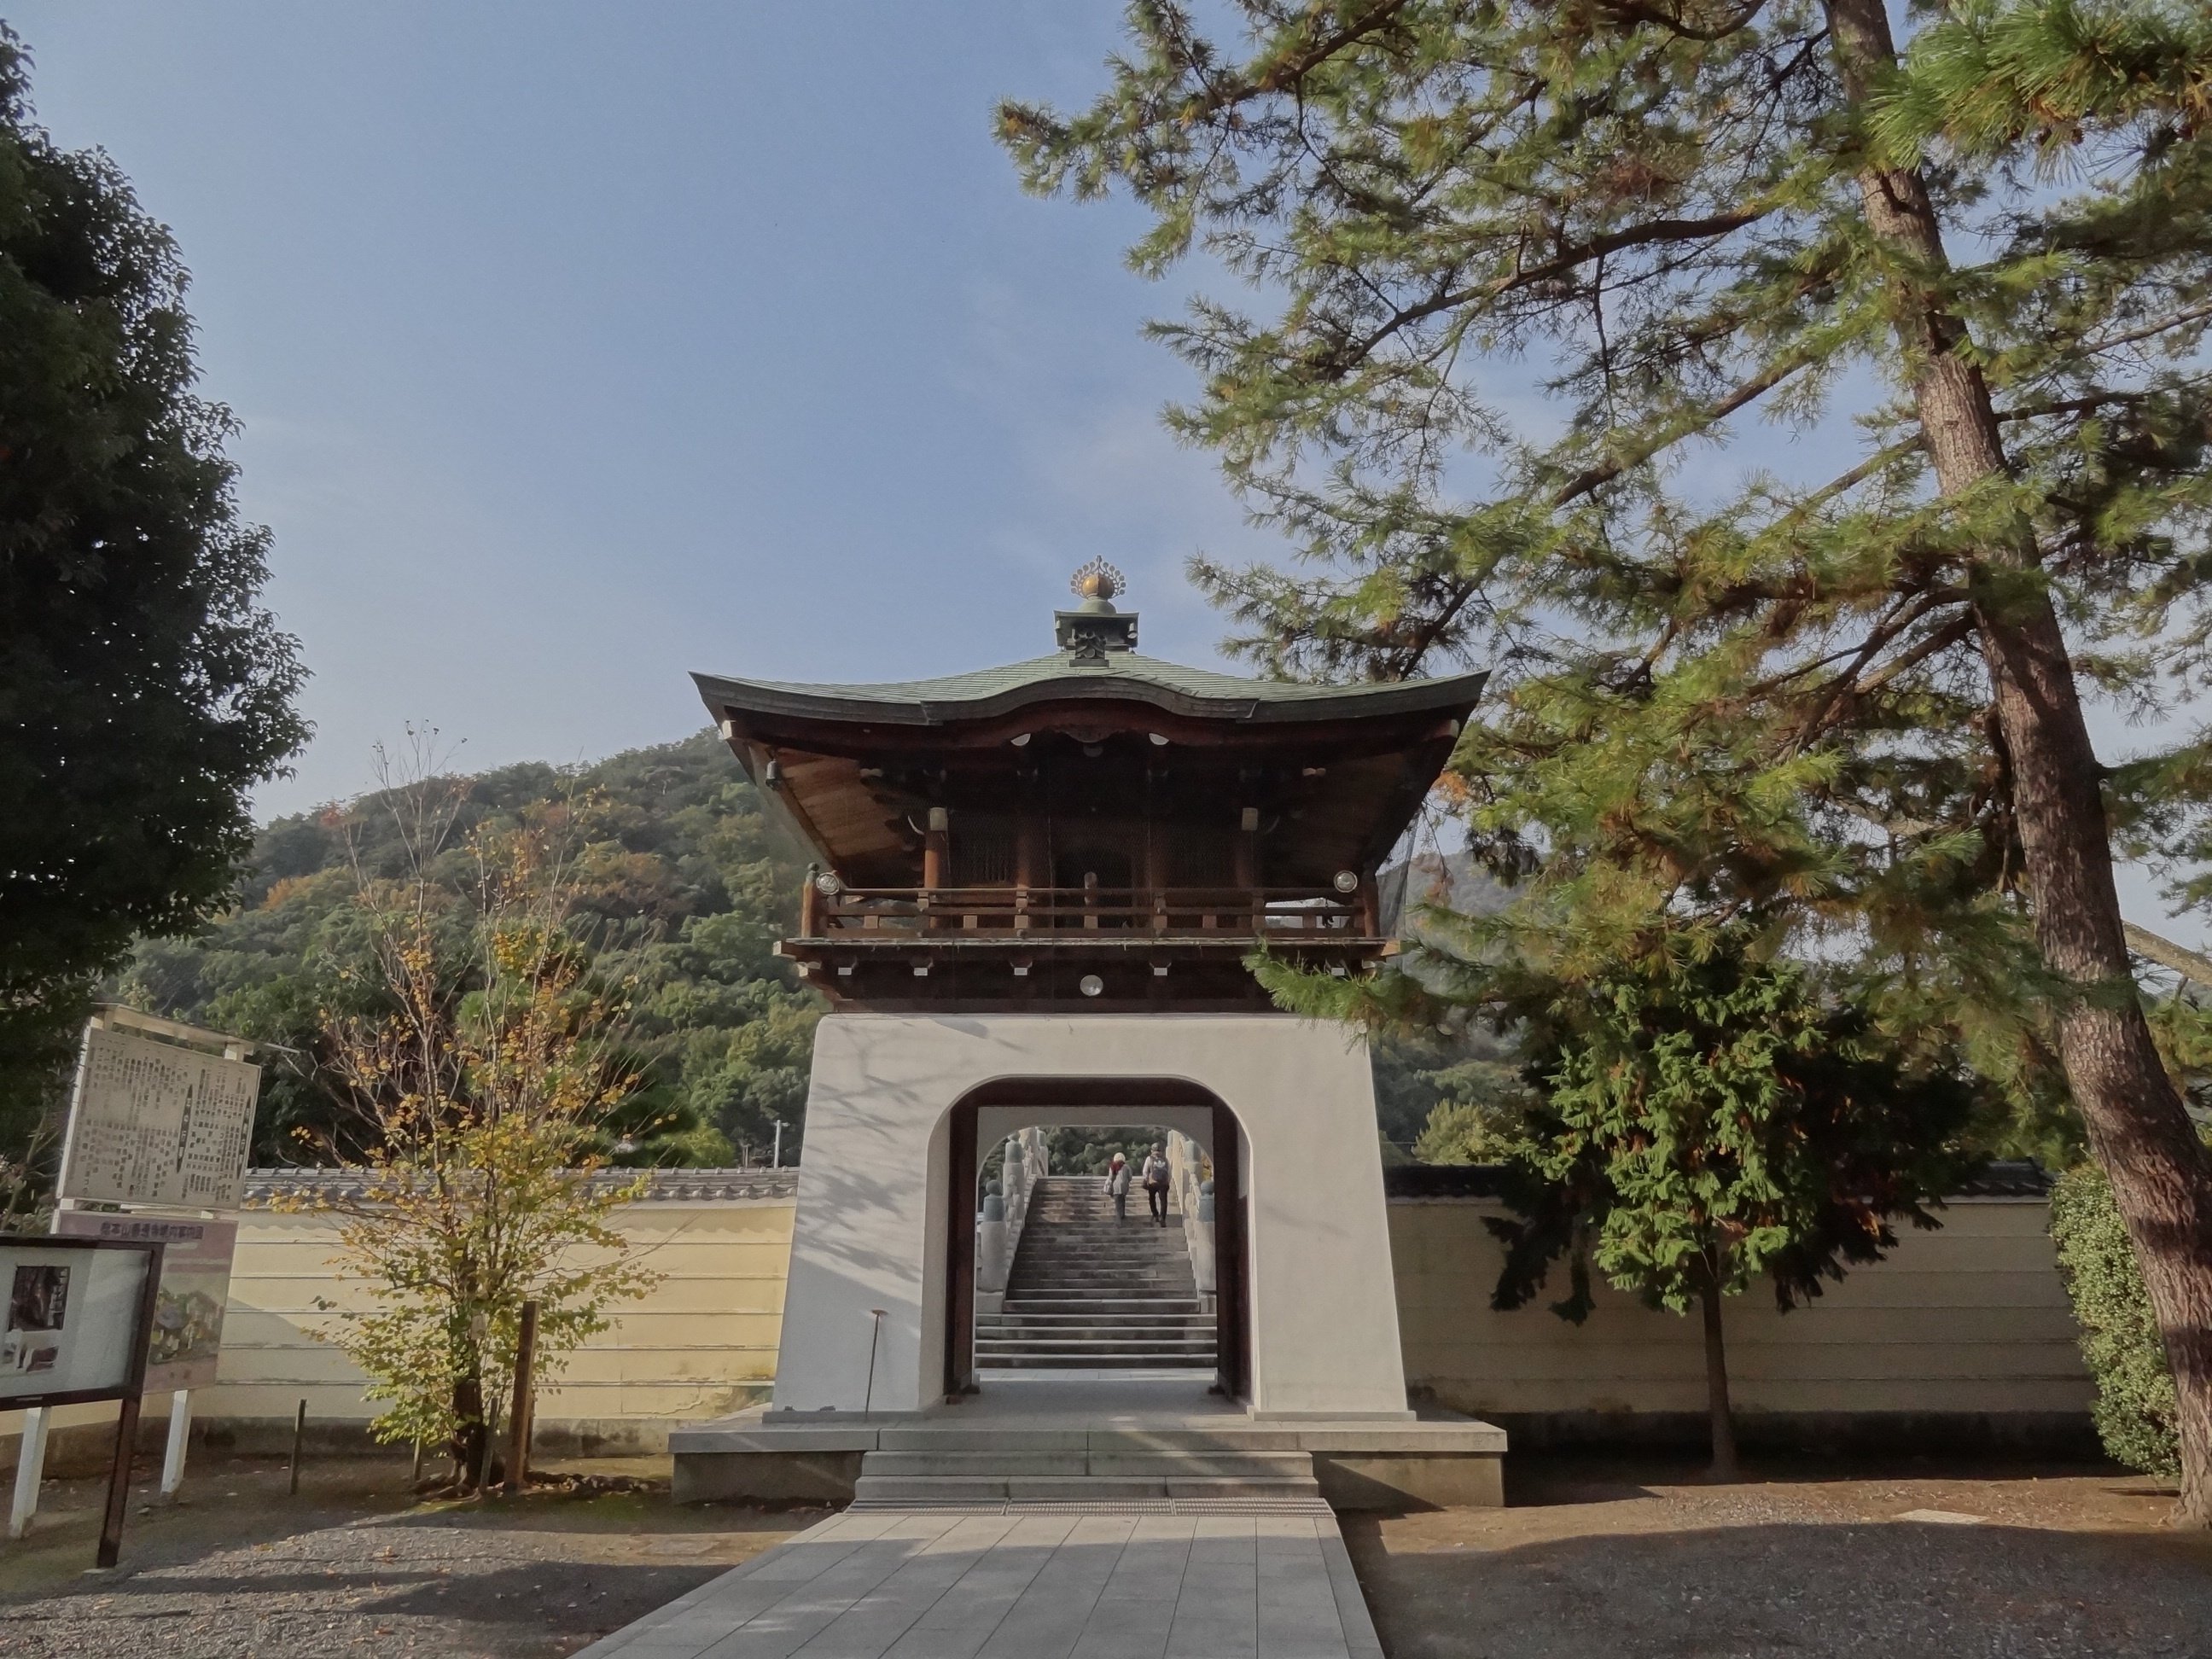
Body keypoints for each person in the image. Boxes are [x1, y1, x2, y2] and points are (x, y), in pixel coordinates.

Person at [1141, 1142, 1172, 1226]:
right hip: (1164, 1183)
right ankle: (1162, 1217)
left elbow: (1145, 1171)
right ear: (1161, 1151)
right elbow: (1169, 1172)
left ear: (1152, 1150)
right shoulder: (1165, 1159)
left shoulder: (1149, 1158)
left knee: (1152, 1198)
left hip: (1153, 1183)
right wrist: (1168, 1181)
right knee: (1163, 1200)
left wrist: (1147, 1179)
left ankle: (1155, 1215)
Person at [1104, 1152, 1132, 1221]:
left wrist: (1108, 1183)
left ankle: (1118, 1216)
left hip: (1115, 1186)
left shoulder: (1112, 1166)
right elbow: (1130, 1177)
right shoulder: (1127, 1167)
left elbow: (1110, 1177)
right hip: (1124, 1186)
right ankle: (1122, 1214)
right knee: (1122, 1200)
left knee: (1117, 1202)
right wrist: (1126, 1181)